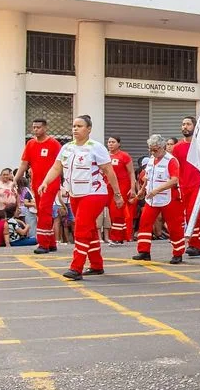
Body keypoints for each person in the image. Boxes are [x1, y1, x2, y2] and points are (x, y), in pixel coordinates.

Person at [36, 116, 123, 280]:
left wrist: (117, 194)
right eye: (74, 126)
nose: (75, 129)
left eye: (79, 126)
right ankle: (97, 265)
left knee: (81, 228)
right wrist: (45, 182)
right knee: (88, 229)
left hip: (94, 194)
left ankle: (76, 268)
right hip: (75, 194)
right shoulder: (67, 147)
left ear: (89, 129)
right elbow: (56, 167)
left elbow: (109, 172)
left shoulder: (97, 148)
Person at [132, 134, 186, 264]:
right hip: (152, 199)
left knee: (174, 226)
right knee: (144, 223)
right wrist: (142, 190)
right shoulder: (151, 160)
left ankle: (178, 253)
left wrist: (157, 190)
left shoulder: (171, 161)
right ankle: (144, 251)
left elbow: (174, 180)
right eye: (150, 149)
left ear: (162, 148)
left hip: (169, 198)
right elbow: (147, 177)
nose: (152, 152)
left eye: (155, 149)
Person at [14, 118, 63, 253]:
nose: (36, 130)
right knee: (41, 211)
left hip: (51, 183)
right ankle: (51, 243)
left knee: (44, 209)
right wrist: (15, 179)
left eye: (39, 127)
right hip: (36, 183)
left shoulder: (54, 144)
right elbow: (24, 164)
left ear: (45, 128)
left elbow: (61, 163)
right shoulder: (30, 144)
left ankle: (43, 244)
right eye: (34, 127)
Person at [170, 116, 200, 257]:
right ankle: (196, 243)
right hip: (183, 185)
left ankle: (195, 245)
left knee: (194, 213)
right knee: (186, 216)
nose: (185, 126)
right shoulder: (177, 147)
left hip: (198, 184)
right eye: (183, 124)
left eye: (188, 124)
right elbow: (174, 167)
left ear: (194, 126)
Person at [105, 136, 136, 246]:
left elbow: (131, 173)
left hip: (122, 186)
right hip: (107, 186)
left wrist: (132, 188)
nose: (110, 144)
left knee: (116, 210)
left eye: (113, 142)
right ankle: (121, 235)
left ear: (119, 144)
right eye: (109, 142)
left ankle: (116, 237)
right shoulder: (104, 155)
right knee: (111, 212)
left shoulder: (124, 156)